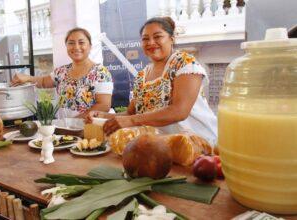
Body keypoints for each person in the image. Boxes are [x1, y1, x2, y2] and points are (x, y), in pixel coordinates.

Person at [87, 17, 218, 146]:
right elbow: (130, 113)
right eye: (145, 39)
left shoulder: (184, 63)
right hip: (162, 148)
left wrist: (131, 120)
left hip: (197, 146)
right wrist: (103, 116)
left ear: (171, 39)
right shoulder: (141, 76)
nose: (150, 42)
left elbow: (179, 111)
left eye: (157, 36)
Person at [11, 28, 113, 119]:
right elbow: (43, 82)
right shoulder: (61, 71)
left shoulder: (100, 73)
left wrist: (74, 122)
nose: (76, 47)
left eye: (81, 42)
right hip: (64, 128)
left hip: (89, 128)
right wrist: (26, 78)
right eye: (71, 43)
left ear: (90, 46)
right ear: (66, 46)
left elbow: (103, 105)